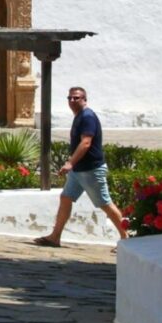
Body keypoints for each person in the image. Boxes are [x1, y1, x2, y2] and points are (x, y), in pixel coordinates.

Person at [33, 84, 110, 247]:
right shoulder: (80, 116)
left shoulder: (87, 117)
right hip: (79, 170)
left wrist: (70, 163)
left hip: (90, 169)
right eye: (70, 98)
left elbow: (86, 142)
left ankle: (126, 238)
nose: (72, 100)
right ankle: (55, 237)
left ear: (85, 99)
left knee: (104, 203)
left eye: (77, 98)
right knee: (66, 197)